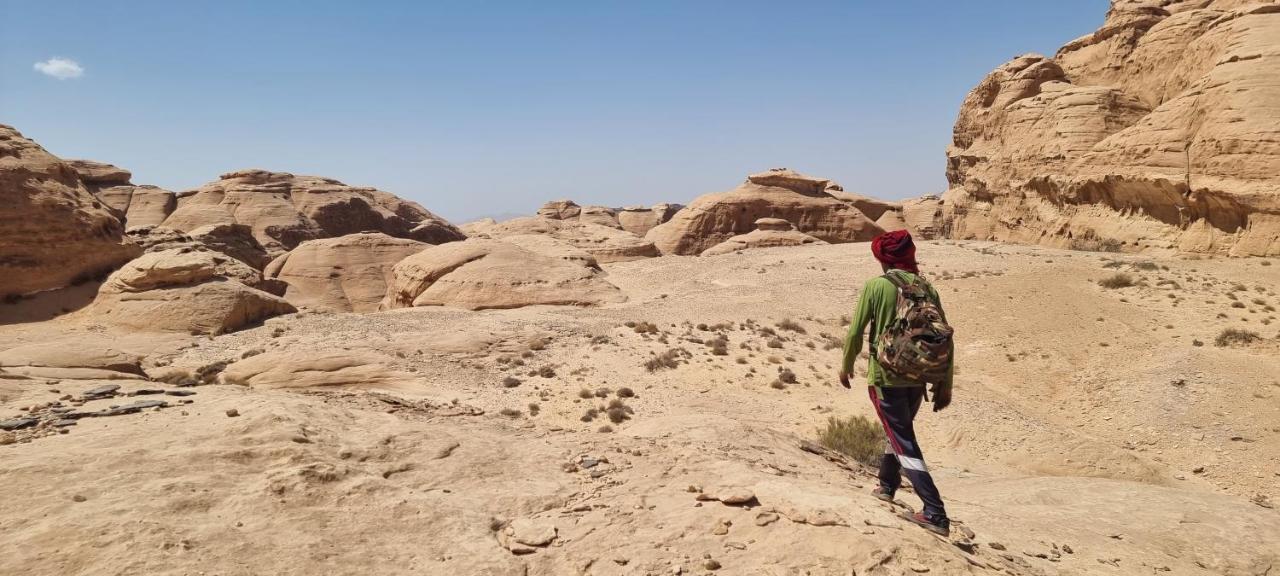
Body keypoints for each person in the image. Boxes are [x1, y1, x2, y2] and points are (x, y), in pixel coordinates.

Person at [838, 229, 953, 536]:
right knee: (898, 431)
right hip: (918, 376)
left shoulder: (876, 286)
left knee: (903, 440)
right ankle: (887, 486)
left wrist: (846, 366)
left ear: (883, 258)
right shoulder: (926, 287)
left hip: (885, 376)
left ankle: (935, 512)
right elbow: (945, 335)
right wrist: (944, 383)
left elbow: (854, 333)